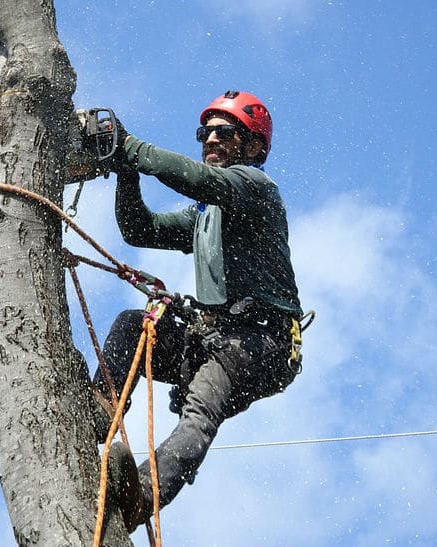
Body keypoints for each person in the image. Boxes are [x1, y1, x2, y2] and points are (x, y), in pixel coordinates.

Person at [93, 90, 303, 532]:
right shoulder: (206, 215)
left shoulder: (255, 189)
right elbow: (139, 228)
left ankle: (142, 498)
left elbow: (198, 180)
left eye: (223, 133)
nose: (210, 140)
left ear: (253, 148)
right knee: (133, 326)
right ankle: (101, 406)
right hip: (215, 335)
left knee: (200, 410)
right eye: (204, 133)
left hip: (260, 341)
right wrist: (125, 172)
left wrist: (130, 147)